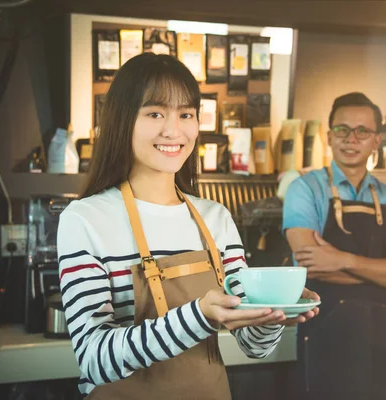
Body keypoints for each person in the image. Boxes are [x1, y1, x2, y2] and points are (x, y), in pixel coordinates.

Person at [57, 53, 319, 399]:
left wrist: (271, 314)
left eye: (186, 114)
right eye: (155, 113)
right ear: (122, 121)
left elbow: (254, 347)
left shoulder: (216, 219)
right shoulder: (85, 219)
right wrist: (200, 316)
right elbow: (94, 359)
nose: (174, 130)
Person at [282, 92, 386, 399]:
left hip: (385, 338)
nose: (351, 139)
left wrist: (342, 259)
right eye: (342, 130)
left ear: (376, 141)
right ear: (330, 136)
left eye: (362, 131)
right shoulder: (304, 189)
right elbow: (309, 267)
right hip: (325, 336)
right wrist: (382, 273)